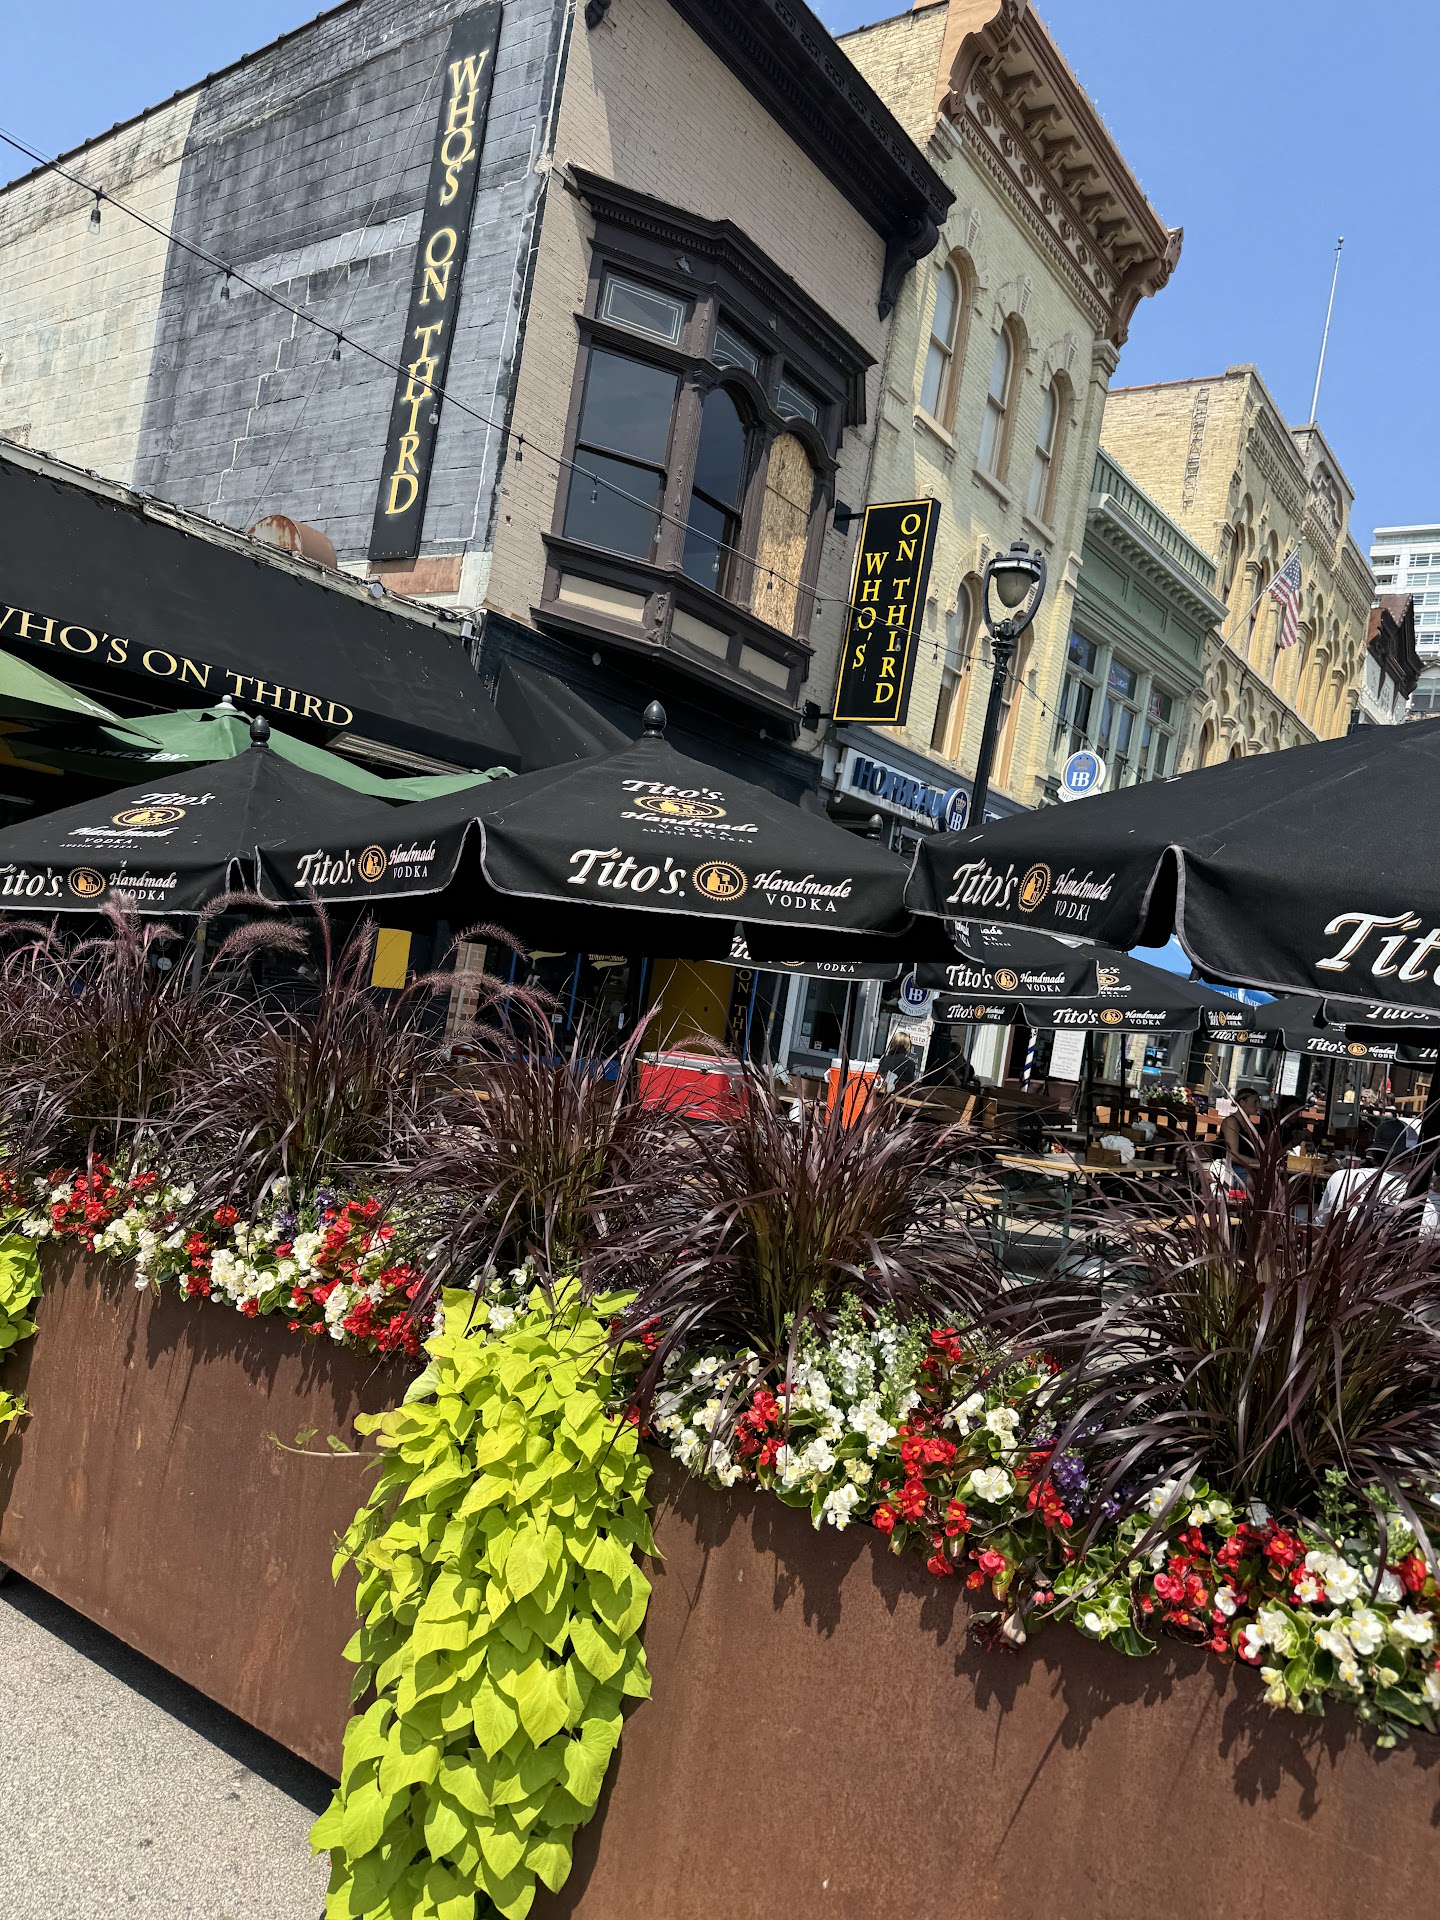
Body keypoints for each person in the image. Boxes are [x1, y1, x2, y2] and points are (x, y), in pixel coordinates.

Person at [1314, 1141, 1410, 1226]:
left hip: (1336, 1240)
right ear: (1410, 1157)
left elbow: (1321, 1223)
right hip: (1387, 1241)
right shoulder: (1411, 1188)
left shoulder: (1342, 1176)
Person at [1220, 1088, 1264, 1190]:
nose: (1259, 1106)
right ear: (1242, 1102)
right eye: (1255, 1102)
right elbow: (1233, 1156)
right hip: (1232, 1169)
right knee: (1265, 1185)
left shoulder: (1250, 1126)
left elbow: (1257, 1153)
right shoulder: (1232, 1122)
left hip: (1249, 1169)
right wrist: (1258, 1163)